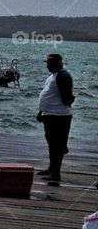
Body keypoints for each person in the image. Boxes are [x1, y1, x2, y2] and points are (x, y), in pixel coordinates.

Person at [36, 53, 74, 184]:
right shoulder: (52, 76)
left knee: (58, 145)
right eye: (47, 63)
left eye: (50, 63)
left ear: (59, 63)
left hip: (60, 116)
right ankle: (51, 168)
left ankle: (56, 173)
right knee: (51, 143)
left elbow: (67, 97)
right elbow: (50, 95)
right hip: (50, 114)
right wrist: (41, 112)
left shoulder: (63, 76)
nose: (48, 65)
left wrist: (70, 99)